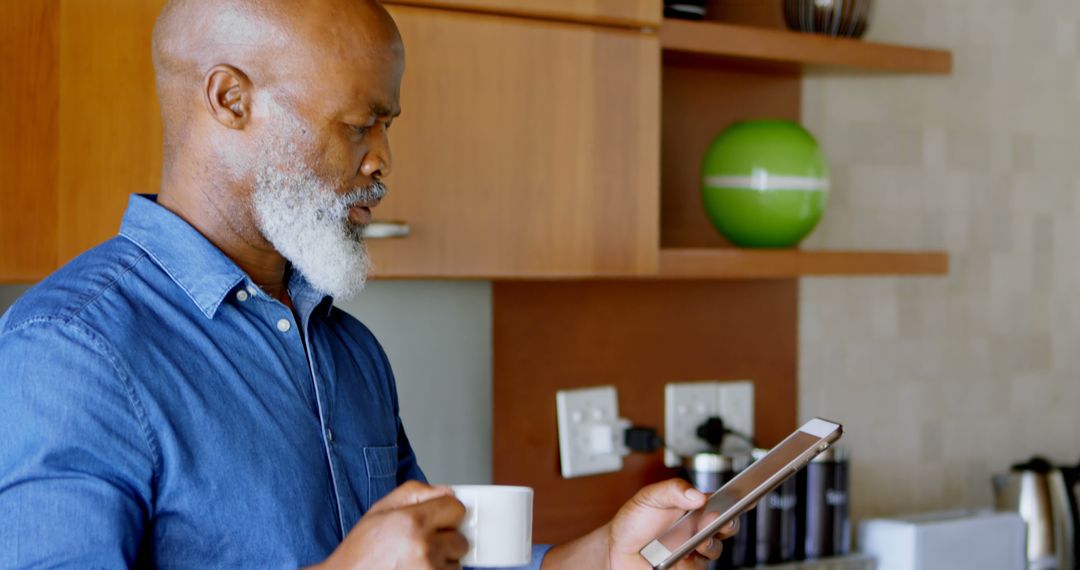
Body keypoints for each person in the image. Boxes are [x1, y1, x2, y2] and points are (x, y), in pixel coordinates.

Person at [0, 0, 737, 568]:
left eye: (388, 127)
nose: (382, 162)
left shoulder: (348, 350)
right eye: (359, 126)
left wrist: (607, 552)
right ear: (230, 100)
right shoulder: (70, 351)